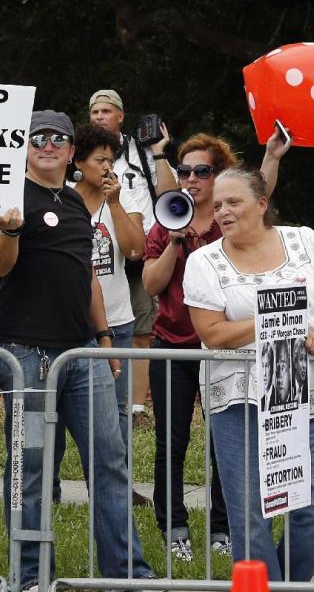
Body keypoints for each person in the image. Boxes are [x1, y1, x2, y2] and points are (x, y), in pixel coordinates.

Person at [0, 109, 154, 589]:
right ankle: (30, 577)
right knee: (31, 468)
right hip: (26, 354)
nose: (47, 144)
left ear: (70, 151)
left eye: (58, 137)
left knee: (111, 461)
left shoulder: (80, 205)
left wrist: (103, 341)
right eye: (37, 136)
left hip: (82, 354)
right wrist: (11, 230)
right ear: (24, 145)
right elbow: (0, 266)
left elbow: (88, 280)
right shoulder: (6, 196)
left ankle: (127, 574)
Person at [184, 165, 314, 581]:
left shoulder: (307, 242)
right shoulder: (203, 261)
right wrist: (270, 319)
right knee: (250, 517)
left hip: (308, 397)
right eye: (217, 204)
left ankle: (288, 586)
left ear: (261, 204)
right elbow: (212, 332)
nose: (222, 211)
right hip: (239, 403)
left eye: (233, 202)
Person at [141, 132, 234, 560]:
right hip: (173, 347)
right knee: (171, 442)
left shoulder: (228, 224)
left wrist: (272, 155)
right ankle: (174, 525)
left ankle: (222, 527)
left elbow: (264, 191)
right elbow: (151, 285)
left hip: (221, 348)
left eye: (202, 171)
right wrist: (175, 242)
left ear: (219, 176)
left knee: (223, 441)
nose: (191, 179)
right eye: (184, 172)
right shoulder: (164, 224)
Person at [88, 89, 176, 418]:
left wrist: (159, 153)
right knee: (97, 327)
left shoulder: (140, 151)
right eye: (94, 112)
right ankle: (99, 399)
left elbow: (170, 193)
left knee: (140, 332)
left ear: (121, 116)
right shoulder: (80, 154)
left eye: (106, 111)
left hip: (141, 250)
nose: (99, 117)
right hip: (100, 250)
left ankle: (135, 408)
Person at [72, 124, 145, 449]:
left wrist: (114, 204)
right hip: (72, 323)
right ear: (78, 162)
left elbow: (135, 250)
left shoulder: (122, 196)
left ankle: (121, 486)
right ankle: (52, 485)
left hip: (117, 322)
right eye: (100, 159)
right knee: (58, 409)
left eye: (111, 160)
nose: (107, 167)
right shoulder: (62, 199)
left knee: (118, 410)